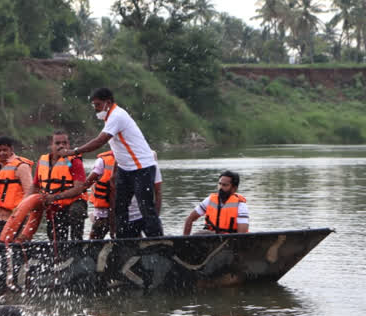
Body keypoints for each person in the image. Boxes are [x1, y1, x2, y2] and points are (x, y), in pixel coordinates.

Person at [61, 88, 163, 239]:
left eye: (97, 105)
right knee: (119, 208)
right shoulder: (109, 118)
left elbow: (99, 141)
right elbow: (118, 149)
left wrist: (74, 151)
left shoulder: (117, 115)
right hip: (125, 169)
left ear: (108, 103)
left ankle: (159, 243)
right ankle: (124, 241)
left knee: (146, 208)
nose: (95, 109)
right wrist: (115, 172)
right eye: (94, 105)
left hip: (142, 167)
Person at [33, 131, 88, 242]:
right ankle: (60, 255)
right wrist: (27, 203)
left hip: (75, 203)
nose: (61, 146)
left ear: (69, 145)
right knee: (56, 240)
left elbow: (79, 189)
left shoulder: (74, 161)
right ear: (51, 145)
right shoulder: (42, 161)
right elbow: (35, 186)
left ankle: (77, 246)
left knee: (76, 212)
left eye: (64, 143)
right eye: (57, 143)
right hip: (54, 207)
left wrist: (55, 197)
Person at [0, 136, 34, 242]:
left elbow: (29, 192)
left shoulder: (21, 166)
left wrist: (24, 215)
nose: (2, 153)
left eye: (5, 150)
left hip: (16, 217)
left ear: (11, 149)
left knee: (15, 247)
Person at [183, 170, 248, 235]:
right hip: (210, 238)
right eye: (220, 184)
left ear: (234, 188)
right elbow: (190, 219)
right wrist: (185, 240)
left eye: (225, 185)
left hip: (229, 240)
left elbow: (242, 234)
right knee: (198, 234)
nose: (221, 188)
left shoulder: (240, 205)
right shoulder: (209, 200)